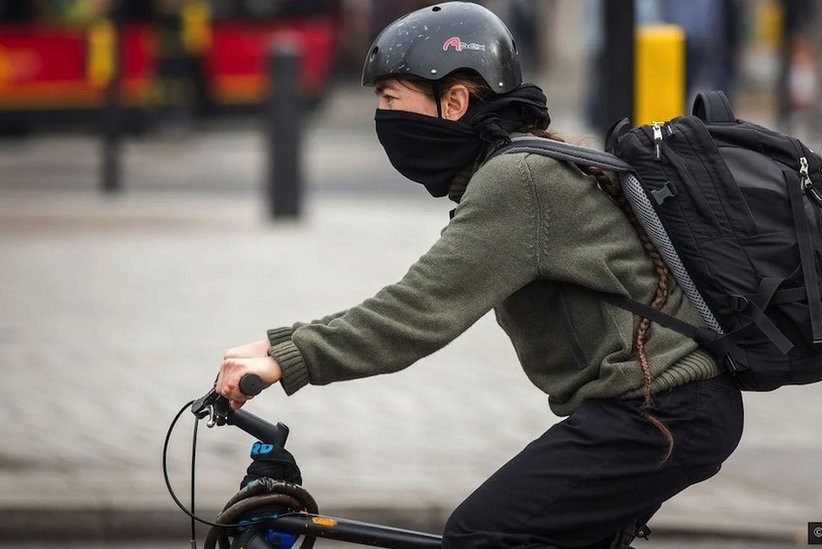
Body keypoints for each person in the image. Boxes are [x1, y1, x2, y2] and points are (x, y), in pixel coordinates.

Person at [215, 2, 744, 547]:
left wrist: (289, 356)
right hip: (663, 409)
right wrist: (273, 343)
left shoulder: (519, 180)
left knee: (481, 534)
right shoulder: (521, 165)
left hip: (664, 411)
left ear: (456, 102)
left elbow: (417, 312)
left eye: (392, 100)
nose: (384, 119)